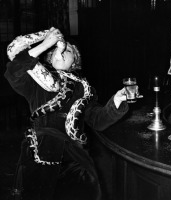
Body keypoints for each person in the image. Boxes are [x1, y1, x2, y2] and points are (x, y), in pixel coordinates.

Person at [4, 27, 132, 200]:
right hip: (40, 154)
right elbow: (14, 72)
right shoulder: (35, 82)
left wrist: (116, 101)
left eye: (68, 50)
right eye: (56, 49)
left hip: (74, 159)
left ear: (75, 61)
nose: (61, 50)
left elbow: (98, 120)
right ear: (50, 57)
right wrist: (46, 43)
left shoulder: (84, 89)